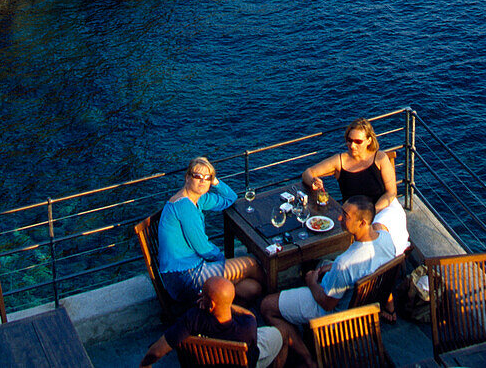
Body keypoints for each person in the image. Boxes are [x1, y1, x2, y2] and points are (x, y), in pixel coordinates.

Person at [260, 196, 395, 366]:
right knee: (322, 264)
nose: (340, 218)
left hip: (336, 314)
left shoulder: (345, 263)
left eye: (345, 216)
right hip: (366, 306)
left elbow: (326, 303)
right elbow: (362, 267)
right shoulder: (386, 238)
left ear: (362, 223)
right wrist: (332, 268)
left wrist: (311, 281)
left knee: (267, 305)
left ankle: (308, 359)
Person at [157, 155, 264, 303]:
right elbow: (203, 248)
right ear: (187, 177)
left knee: (252, 288)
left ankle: (253, 301)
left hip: (196, 266)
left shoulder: (198, 198)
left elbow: (230, 198)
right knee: (251, 264)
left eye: (207, 177)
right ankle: (272, 300)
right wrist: (223, 260)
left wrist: (215, 182)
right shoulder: (184, 206)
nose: (202, 181)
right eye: (197, 176)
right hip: (184, 277)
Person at [302, 117, 410, 256]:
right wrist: (313, 181)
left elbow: (391, 193)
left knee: (379, 230)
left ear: (368, 141)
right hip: (354, 214)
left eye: (358, 141)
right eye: (349, 140)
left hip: (384, 208)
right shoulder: (339, 161)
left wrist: (372, 212)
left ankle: (384, 261)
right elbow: (307, 173)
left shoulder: (380, 158)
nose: (352, 145)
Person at [139, 276, 288, 368]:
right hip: (242, 359)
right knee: (283, 333)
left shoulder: (192, 319)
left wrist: (145, 364)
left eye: (202, 294)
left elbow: (156, 351)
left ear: (210, 305)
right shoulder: (247, 327)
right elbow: (250, 316)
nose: (199, 295)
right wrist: (228, 305)